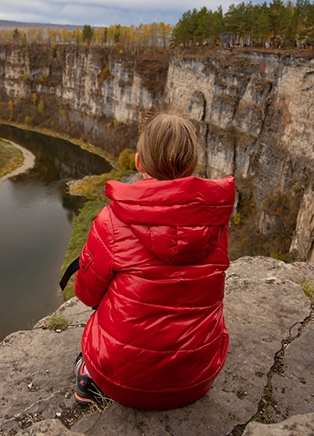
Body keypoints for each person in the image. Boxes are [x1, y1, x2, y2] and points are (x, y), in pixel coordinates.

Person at [73, 110, 235, 410]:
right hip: (197, 377)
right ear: (193, 164)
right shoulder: (215, 223)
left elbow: (85, 293)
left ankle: (89, 377)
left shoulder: (111, 220)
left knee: (103, 316)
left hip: (123, 383)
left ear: (138, 162)